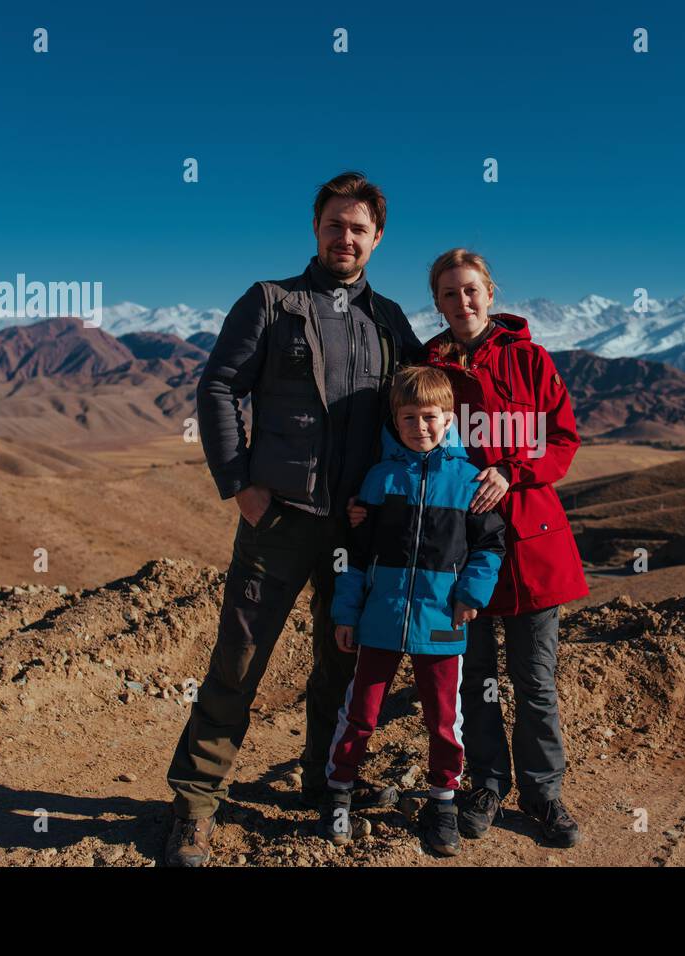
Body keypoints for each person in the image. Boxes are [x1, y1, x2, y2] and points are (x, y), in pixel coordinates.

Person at [163, 172, 423, 867]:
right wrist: (240, 486)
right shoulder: (272, 303)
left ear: (377, 237)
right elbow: (218, 385)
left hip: (356, 529)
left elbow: (429, 402)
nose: (345, 237)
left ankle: (324, 781)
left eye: (358, 227)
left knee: (341, 662)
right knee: (238, 663)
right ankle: (194, 805)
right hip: (279, 521)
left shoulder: (391, 322)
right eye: (334, 224)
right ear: (317, 230)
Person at [349, 248, 589, 847]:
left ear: (491, 292)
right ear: (437, 302)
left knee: (534, 679)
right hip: (450, 549)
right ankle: (484, 782)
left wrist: (513, 469)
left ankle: (544, 794)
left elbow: (563, 439)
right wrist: (372, 501)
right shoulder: (430, 365)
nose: (462, 302)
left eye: (472, 290)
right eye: (450, 294)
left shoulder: (531, 359)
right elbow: (401, 433)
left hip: (531, 539)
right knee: (472, 675)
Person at [323, 366, 505, 856]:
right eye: (409, 418)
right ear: (395, 420)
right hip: (379, 620)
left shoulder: (470, 481)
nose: (420, 427)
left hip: (443, 623)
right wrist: (347, 613)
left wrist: (471, 596)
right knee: (360, 713)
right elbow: (356, 556)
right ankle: (339, 791)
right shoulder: (380, 480)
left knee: (444, 719)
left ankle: (443, 801)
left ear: (449, 418)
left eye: (430, 417)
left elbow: (490, 546)